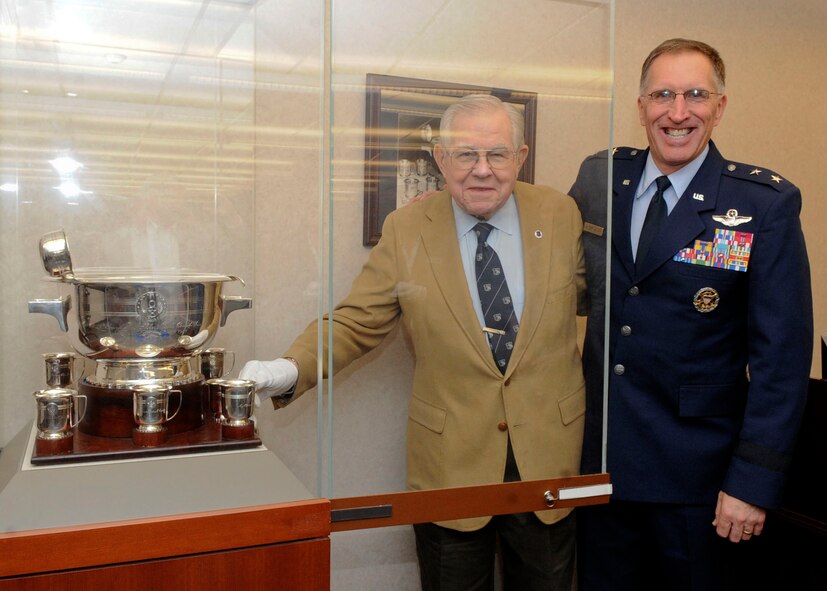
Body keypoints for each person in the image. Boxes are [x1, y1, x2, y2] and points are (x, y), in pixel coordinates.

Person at [240, 94, 587, 590]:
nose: (482, 170)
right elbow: (357, 320)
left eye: (497, 154)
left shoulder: (560, 214)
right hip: (451, 464)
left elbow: (609, 299)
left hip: (549, 458)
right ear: (441, 159)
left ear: (521, 156)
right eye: (466, 155)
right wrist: (289, 367)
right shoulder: (407, 229)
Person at [568, 38, 813, 590]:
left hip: (700, 483)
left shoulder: (761, 205)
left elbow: (781, 362)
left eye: (695, 95)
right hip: (603, 469)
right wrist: (449, 208)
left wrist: (751, 484)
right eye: (663, 95)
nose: (678, 113)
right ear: (641, 107)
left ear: (719, 106)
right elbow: (548, 255)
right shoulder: (600, 179)